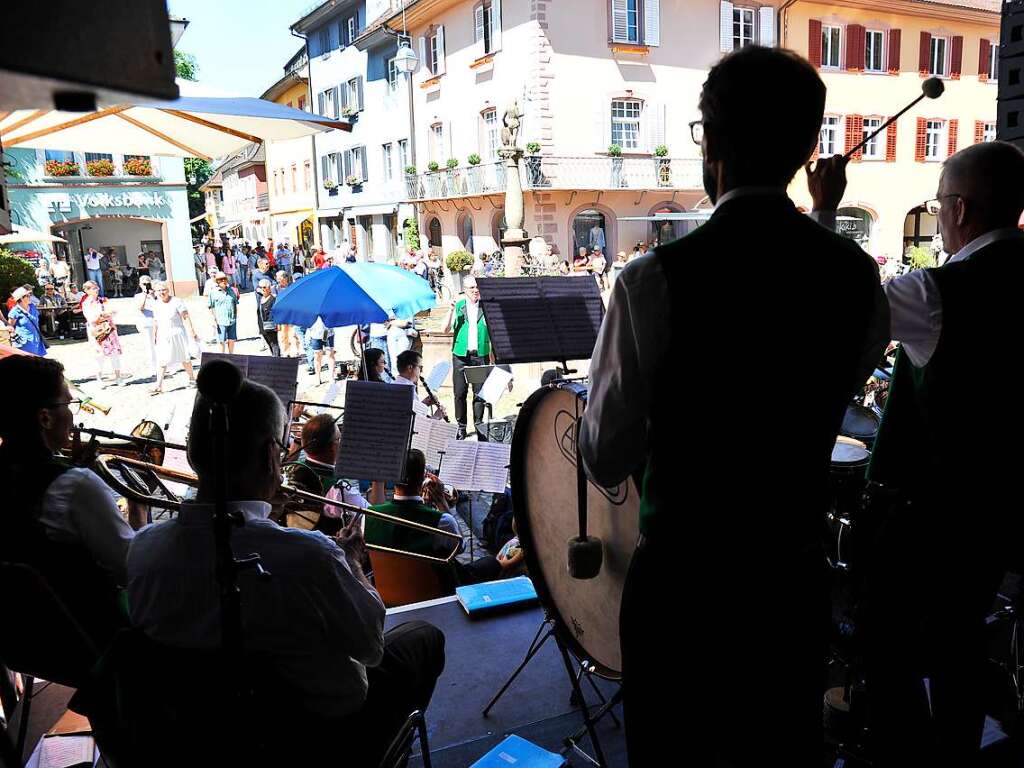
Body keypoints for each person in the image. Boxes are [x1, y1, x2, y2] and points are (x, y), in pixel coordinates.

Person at [578, 46, 887, 767]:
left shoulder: (652, 281)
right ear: (809, 149)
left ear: (711, 140)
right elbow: (835, 370)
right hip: (789, 583)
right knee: (779, 745)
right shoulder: (855, 278)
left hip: (685, 591)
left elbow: (605, 456)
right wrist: (823, 217)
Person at [805, 141, 1024, 767]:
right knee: (960, 639)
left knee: (885, 644)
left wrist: (825, 212)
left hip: (923, 510)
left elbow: (838, 305)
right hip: (1000, 506)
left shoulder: (935, 293)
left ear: (958, 209)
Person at [126, 377, 445, 764]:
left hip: (208, 737)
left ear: (193, 452)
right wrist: (352, 565)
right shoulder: (314, 557)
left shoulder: (143, 549)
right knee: (425, 638)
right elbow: (370, 647)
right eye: (280, 448)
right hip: (320, 735)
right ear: (268, 455)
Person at [0, 355, 133, 661]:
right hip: (94, 643)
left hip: (22, 642)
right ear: (45, 418)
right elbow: (131, 569)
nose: (73, 415)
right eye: (67, 404)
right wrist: (137, 506)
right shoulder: (76, 486)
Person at [444, 276, 490, 439]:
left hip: (479, 356)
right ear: (465, 289)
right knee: (460, 392)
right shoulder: (458, 306)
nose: (475, 290)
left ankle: (479, 425)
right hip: (461, 356)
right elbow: (445, 329)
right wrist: (450, 311)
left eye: (477, 287)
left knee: (479, 393)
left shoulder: (485, 306)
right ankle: (461, 426)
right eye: (471, 288)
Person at [150, 281, 199, 395]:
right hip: (163, 334)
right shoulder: (156, 304)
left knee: (184, 358)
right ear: (155, 292)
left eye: (164, 290)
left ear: (168, 290)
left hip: (178, 333)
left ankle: (192, 379)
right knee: (162, 360)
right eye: (159, 290)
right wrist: (155, 335)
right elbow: (156, 321)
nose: (162, 292)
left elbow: (185, 317)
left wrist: (192, 331)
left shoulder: (177, 301)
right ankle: (158, 385)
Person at [82, 281, 129, 386]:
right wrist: (103, 315)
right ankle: (99, 379)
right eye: (94, 288)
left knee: (115, 353)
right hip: (97, 331)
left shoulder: (103, 300)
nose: (97, 289)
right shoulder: (86, 303)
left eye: (97, 287)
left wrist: (106, 315)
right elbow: (91, 319)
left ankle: (118, 377)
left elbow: (113, 311)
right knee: (99, 355)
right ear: (87, 291)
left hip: (109, 329)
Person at [394, 349, 447, 419]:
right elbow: (418, 425)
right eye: (420, 367)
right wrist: (436, 416)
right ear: (410, 368)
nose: (421, 371)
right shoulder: (407, 390)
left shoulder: (395, 384)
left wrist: (424, 404)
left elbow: (411, 411)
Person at [7, 286, 47, 356]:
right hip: (23, 344)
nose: (30, 297)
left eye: (30, 295)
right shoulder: (14, 311)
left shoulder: (32, 307)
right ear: (21, 298)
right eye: (27, 296)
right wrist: (13, 335)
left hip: (37, 341)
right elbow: (9, 327)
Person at [207, 272, 238, 354]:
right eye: (221, 279)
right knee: (222, 341)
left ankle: (231, 356)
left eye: (225, 279)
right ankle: (222, 357)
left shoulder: (231, 290)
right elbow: (210, 306)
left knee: (231, 339)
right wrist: (213, 319)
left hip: (232, 319)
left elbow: (235, 304)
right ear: (217, 281)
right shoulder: (213, 292)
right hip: (220, 320)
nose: (223, 281)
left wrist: (235, 316)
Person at [134, 276, 158, 379]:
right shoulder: (138, 296)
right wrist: (145, 294)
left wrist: (153, 295)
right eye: (144, 284)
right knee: (150, 346)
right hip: (146, 323)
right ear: (140, 285)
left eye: (148, 283)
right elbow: (140, 308)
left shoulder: (156, 294)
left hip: (157, 322)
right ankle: (153, 368)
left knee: (160, 344)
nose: (146, 285)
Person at [257, 279, 281, 356]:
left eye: (264, 287)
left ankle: (277, 361)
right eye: (260, 287)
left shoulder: (273, 299)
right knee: (269, 344)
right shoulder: (260, 299)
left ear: (269, 288)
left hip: (271, 324)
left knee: (274, 344)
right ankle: (274, 358)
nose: (262, 289)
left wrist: (278, 324)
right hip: (262, 325)